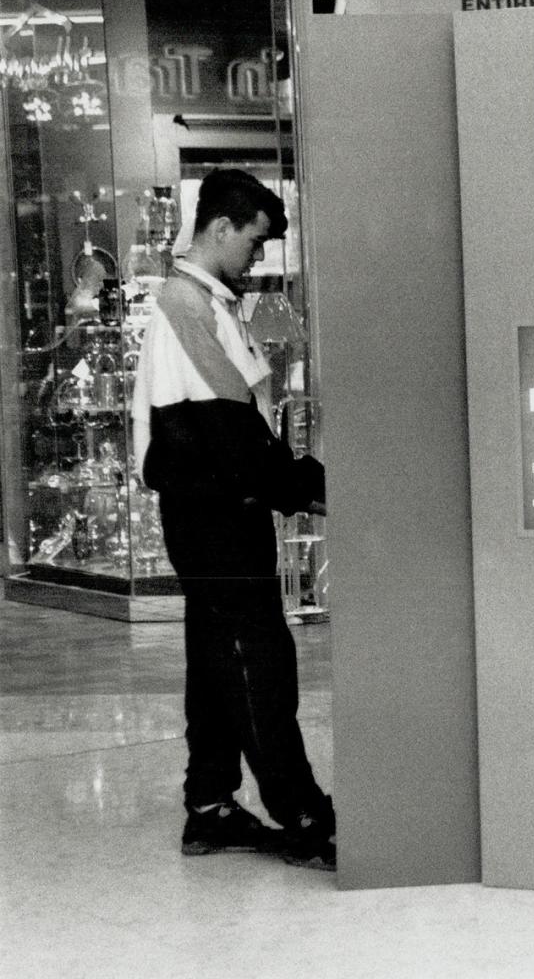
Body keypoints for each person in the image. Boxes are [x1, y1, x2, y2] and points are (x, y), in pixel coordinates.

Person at [131, 169, 334, 870]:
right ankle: (302, 814)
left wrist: (292, 482)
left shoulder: (204, 302)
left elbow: (240, 431)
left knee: (218, 660)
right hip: (214, 516)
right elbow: (232, 437)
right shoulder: (187, 306)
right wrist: (312, 488)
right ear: (221, 227)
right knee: (257, 662)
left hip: (213, 512)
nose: (258, 255)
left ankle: (210, 807)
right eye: (253, 239)